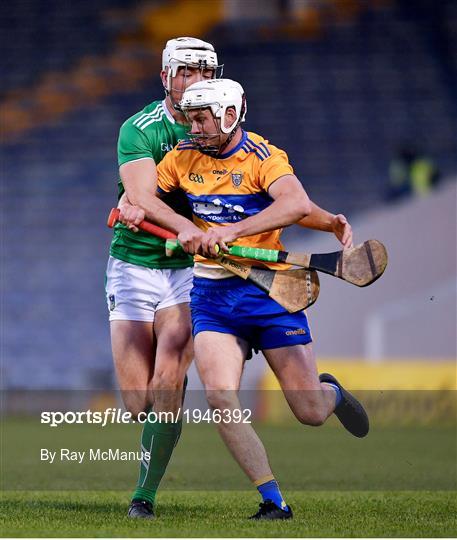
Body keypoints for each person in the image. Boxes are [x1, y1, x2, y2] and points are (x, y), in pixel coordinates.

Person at [120, 78, 369, 520]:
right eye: (190, 118)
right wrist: (148, 210)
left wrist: (318, 222)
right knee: (219, 395)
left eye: (201, 119)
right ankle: (274, 501)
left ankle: (331, 393)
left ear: (229, 116)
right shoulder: (181, 158)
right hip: (213, 295)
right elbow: (139, 195)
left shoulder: (263, 157)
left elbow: (293, 203)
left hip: (269, 290)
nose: (191, 126)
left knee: (309, 411)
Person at [105, 37, 222, 519]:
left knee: (169, 375)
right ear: (165, 78)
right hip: (133, 264)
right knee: (139, 402)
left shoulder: (221, 131)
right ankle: (161, 431)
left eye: (203, 72)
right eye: (184, 72)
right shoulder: (139, 128)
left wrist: (206, 233)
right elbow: (144, 197)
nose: (193, 81)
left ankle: (143, 498)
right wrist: (182, 224)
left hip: (187, 274)